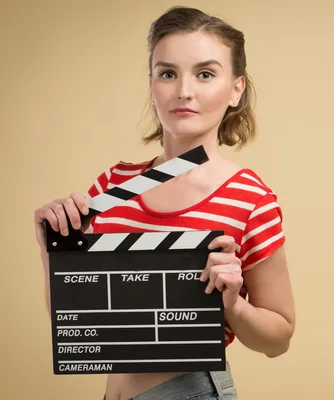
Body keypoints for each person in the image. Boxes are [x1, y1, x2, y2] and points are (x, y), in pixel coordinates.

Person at [33, 6, 295, 400]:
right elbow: (77, 323)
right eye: (167, 73)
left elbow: (279, 339)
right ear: (152, 82)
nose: (183, 91)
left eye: (205, 74)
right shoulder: (113, 184)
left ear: (236, 88)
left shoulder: (250, 197)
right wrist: (54, 250)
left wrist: (232, 306)